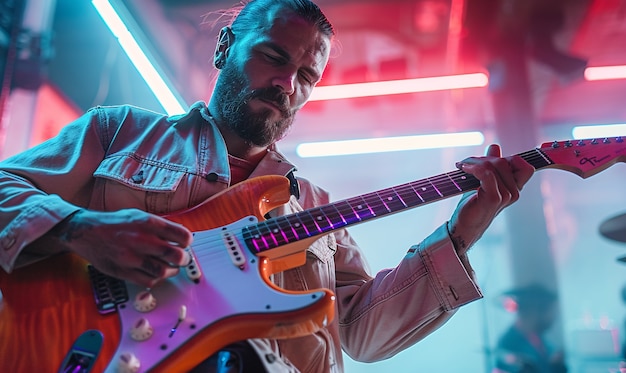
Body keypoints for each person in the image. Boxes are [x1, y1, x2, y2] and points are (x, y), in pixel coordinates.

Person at [0, 0, 534, 371]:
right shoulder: (117, 131)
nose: (287, 84)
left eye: (306, 77)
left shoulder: (314, 207)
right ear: (225, 48)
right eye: (274, 57)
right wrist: (78, 227)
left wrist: (463, 231)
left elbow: (361, 335)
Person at [493, 284, 567, 373]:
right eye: (551, 312)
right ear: (535, 310)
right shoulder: (509, 343)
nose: (553, 318)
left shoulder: (540, 340)